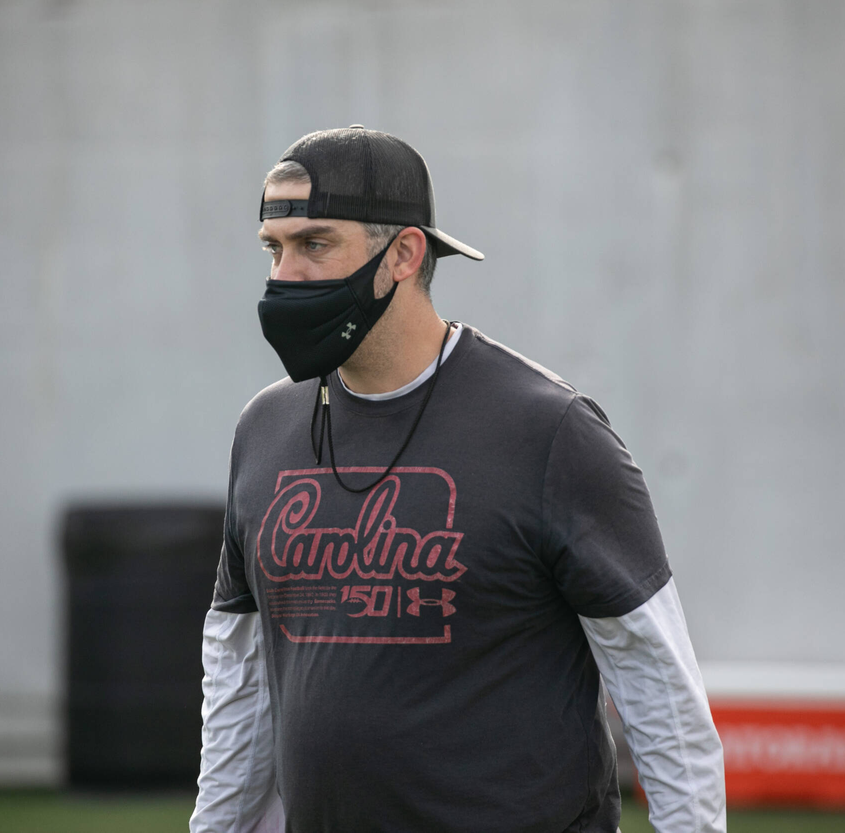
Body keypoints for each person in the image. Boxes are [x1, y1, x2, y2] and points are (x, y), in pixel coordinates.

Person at [190, 126, 725, 833]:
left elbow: (659, 687)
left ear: (404, 253)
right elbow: (239, 679)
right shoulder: (264, 431)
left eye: (315, 244)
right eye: (273, 248)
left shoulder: (549, 432)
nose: (285, 275)